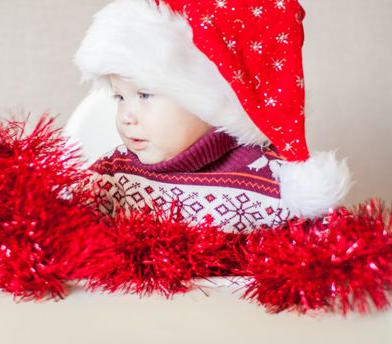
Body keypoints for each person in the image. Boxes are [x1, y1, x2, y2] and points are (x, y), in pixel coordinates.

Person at [73, 0, 352, 232]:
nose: (126, 117)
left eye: (144, 95)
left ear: (205, 99)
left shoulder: (273, 183)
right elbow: (64, 238)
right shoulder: (113, 175)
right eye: (119, 97)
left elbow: (322, 256)